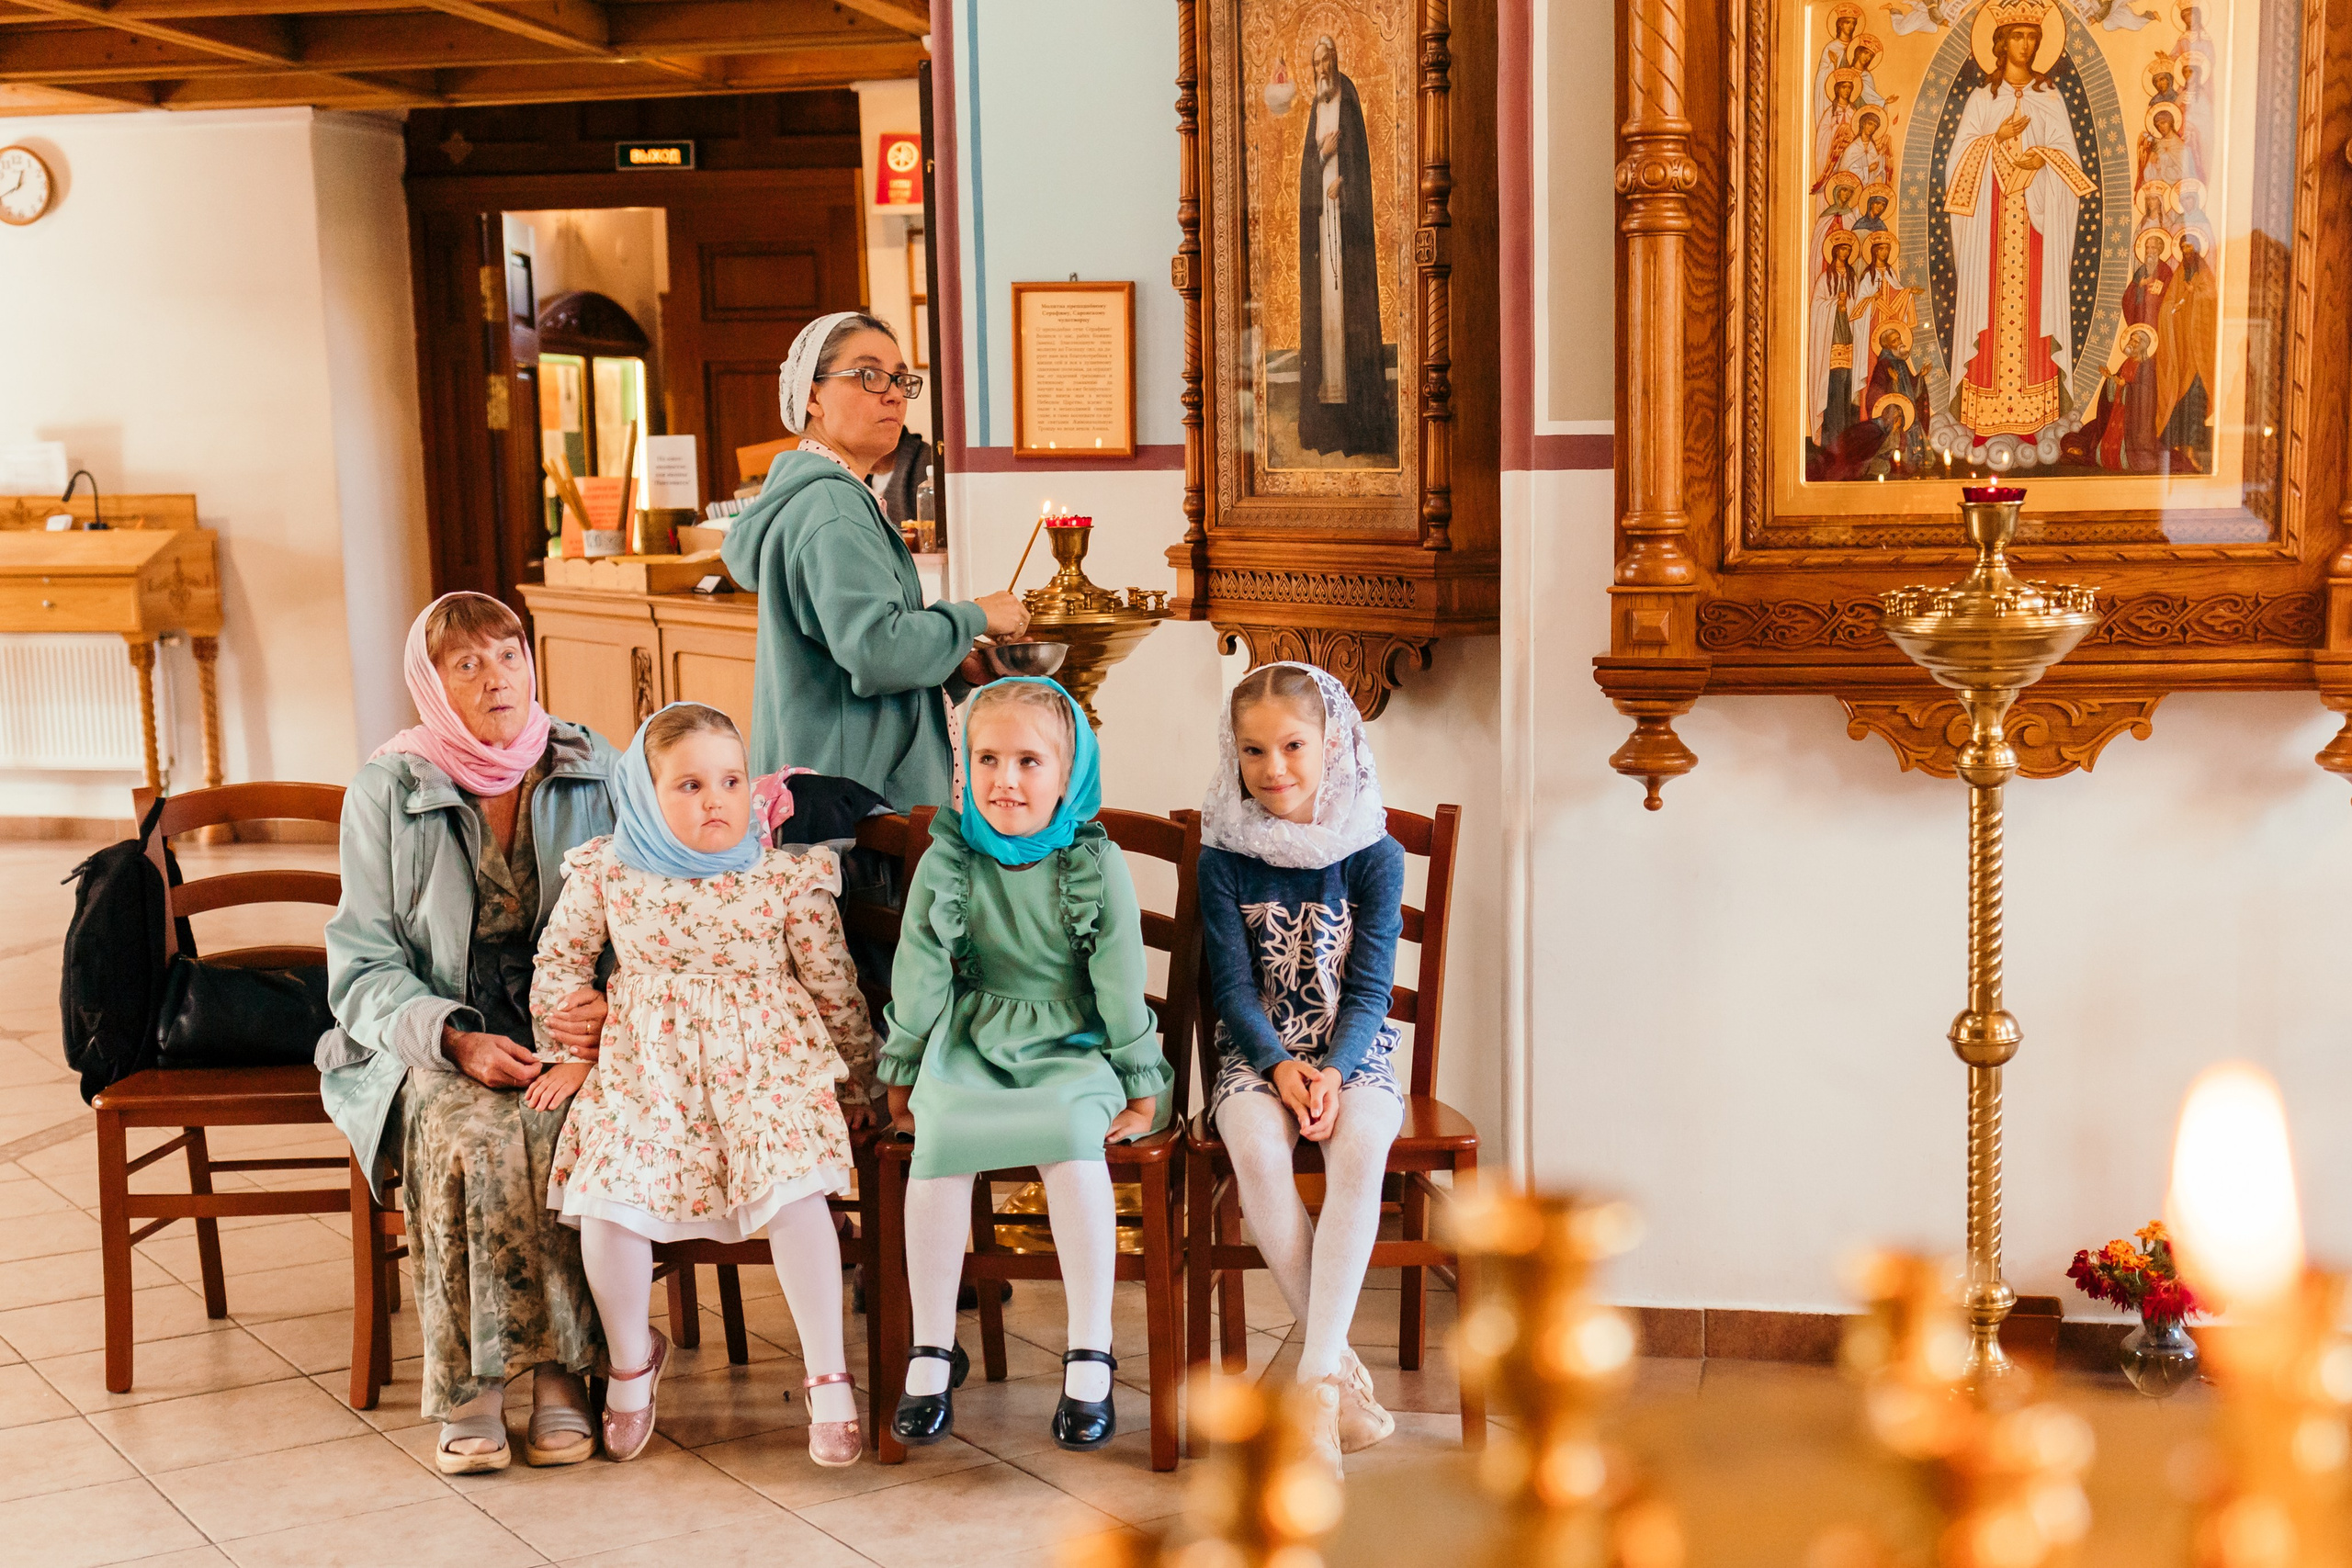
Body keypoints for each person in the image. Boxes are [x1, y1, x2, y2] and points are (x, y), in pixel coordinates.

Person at [528, 703, 880, 1465]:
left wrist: (863, 1085)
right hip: (648, 1076)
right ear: (644, 794)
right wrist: (568, 1046)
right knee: (609, 1204)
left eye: (730, 780)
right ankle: (631, 1361)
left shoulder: (786, 877)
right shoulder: (610, 871)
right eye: (689, 785)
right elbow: (559, 965)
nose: (716, 799)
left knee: (796, 1194)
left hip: (767, 1072)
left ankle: (827, 1374)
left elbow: (834, 988)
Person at [318, 592, 616, 1474]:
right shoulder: (388, 789)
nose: (497, 680)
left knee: (560, 1124)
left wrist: (612, 1001)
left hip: (572, 1035)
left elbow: (650, 910)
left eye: (509, 655)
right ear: (432, 684)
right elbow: (362, 969)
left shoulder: (592, 766)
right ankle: (471, 1386)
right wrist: (455, 1040)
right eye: (468, 664)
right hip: (428, 1036)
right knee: (469, 1135)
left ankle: (562, 1374)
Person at [879, 679, 1171, 1453]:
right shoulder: (949, 860)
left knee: (1075, 1145)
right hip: (973, 1037)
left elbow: (1120, 980)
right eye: (987, 759)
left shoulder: (1094, 864)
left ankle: (1090, 1350)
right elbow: (920, 973)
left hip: (1072, 1041)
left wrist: (1141, 1088)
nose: (1005, 779)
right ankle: (932, 1345)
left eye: (1029, 761)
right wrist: (904, 1075)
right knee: (938, 1143)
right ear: (964, 766)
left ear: (1069, 773)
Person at [1198, 662, 1405, 1477]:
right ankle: (1335, 1375)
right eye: (1253, 750)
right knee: (1255, 1149)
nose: (1273, 767)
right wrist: (1281, 1067)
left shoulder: (1376, 853)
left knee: (1361, 1147)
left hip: (1354, 1049)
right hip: (1257, 1050)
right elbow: (1231, 988)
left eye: (1292, 746)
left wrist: (1334, 1071)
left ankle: (1315, 1384)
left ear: (1333, 745)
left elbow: (1372, 989)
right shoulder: (1223, 856)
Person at [719, 311, 1027, 812]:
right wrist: (976, 615)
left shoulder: (823, 497)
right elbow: (876, 651)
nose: (893, 395)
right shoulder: (833, 506)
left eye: (900, 379)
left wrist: (956, 666)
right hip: (858, 809)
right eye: (868, 375)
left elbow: (848, 665)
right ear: (813, 396)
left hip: (830, 792)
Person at [1940, 12, 2095, 446]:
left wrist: (2042, 158)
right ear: (2001, 42)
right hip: (1990, 227)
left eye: (2031, 37)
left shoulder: (2050, 95)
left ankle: (2032, 418)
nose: (2025, 45)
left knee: (2032, 311)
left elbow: (2069, 159)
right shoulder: (1981, 99)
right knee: (1989, 310)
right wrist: (1994, 138)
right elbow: (1956, 165)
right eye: (2017, 36)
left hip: (2036, 225)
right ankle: (1983, 417)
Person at [1295, 33, 1396, 459]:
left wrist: (1345, 185)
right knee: (1325, 315)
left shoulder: (1347, 97)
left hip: (1347, 229)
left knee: (1348, 311)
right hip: (1323, 226)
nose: (1322, 69)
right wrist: (1322, 159)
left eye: (1327, 60)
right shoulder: (1315, 108)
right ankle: (1328, 422)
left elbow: (1361, 166)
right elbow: (1307, 171)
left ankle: (1358, 421)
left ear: (1336, 61)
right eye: (1316, 63)